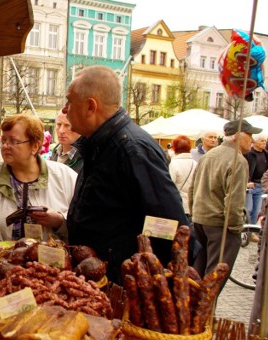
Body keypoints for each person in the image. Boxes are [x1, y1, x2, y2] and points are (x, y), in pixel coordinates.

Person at [62, 65, 189, 283]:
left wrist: (149, 284)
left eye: (69, 101)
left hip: (122, 282)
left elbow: (168, 226)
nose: (65, 109)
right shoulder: (101, 144)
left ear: (90, 106)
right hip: (98, 276)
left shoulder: (132, 150)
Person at [189, 119, 262, 289]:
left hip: (202, 220)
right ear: (237, 136)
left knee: (198, 275)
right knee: (214, 280)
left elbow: (193, 188)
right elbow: (234, 200)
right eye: (249, 135)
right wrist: (235, 228)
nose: (251, 140)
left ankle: (190, 311)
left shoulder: (209, 155)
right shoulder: (237, 160)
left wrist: (195, 214)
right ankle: (203, 313)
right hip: (220, 224)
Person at [168, 135, 198, 218]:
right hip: (192, 205)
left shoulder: (173, 164)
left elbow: (170, 186)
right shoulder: (196, 163)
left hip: (177, 204)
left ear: (174, 148)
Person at [244, 136, 268, 226]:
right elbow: (244, 169)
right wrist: (247, 182)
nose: (264, 143)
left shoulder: (267, 155)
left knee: (257, 211)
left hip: (260, 185)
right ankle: (245, 231)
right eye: (262, 141)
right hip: (250, 185)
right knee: (248, 209)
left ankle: (252, 231)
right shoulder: (248, 154)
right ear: (254, 142)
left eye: (265, 141)